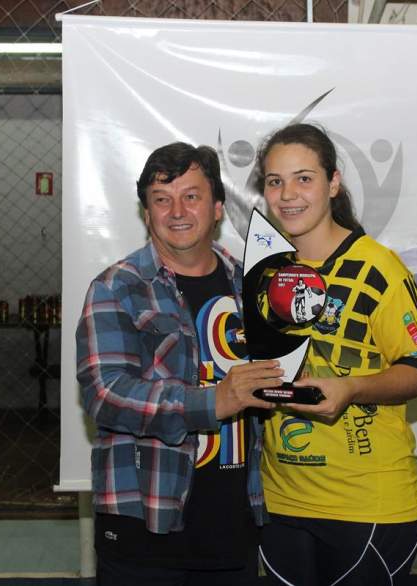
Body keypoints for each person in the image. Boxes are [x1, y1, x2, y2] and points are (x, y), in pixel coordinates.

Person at [75, 142, 282, 586]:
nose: (177, 211)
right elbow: (104, 394)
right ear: (146, 213)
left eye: (192, 196)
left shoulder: (250, 287)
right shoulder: (117, 288)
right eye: (161, 199)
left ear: (219, 207)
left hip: (233, 529)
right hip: (145, 530)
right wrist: (212, 402)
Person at [254, 124, 417, 585]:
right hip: (281, 502)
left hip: (369, 504)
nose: (288, 194)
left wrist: (353, 387)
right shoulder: (263, 273)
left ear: (333, 183)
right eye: (275, 181)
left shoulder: (377, 268)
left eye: (303, 178)